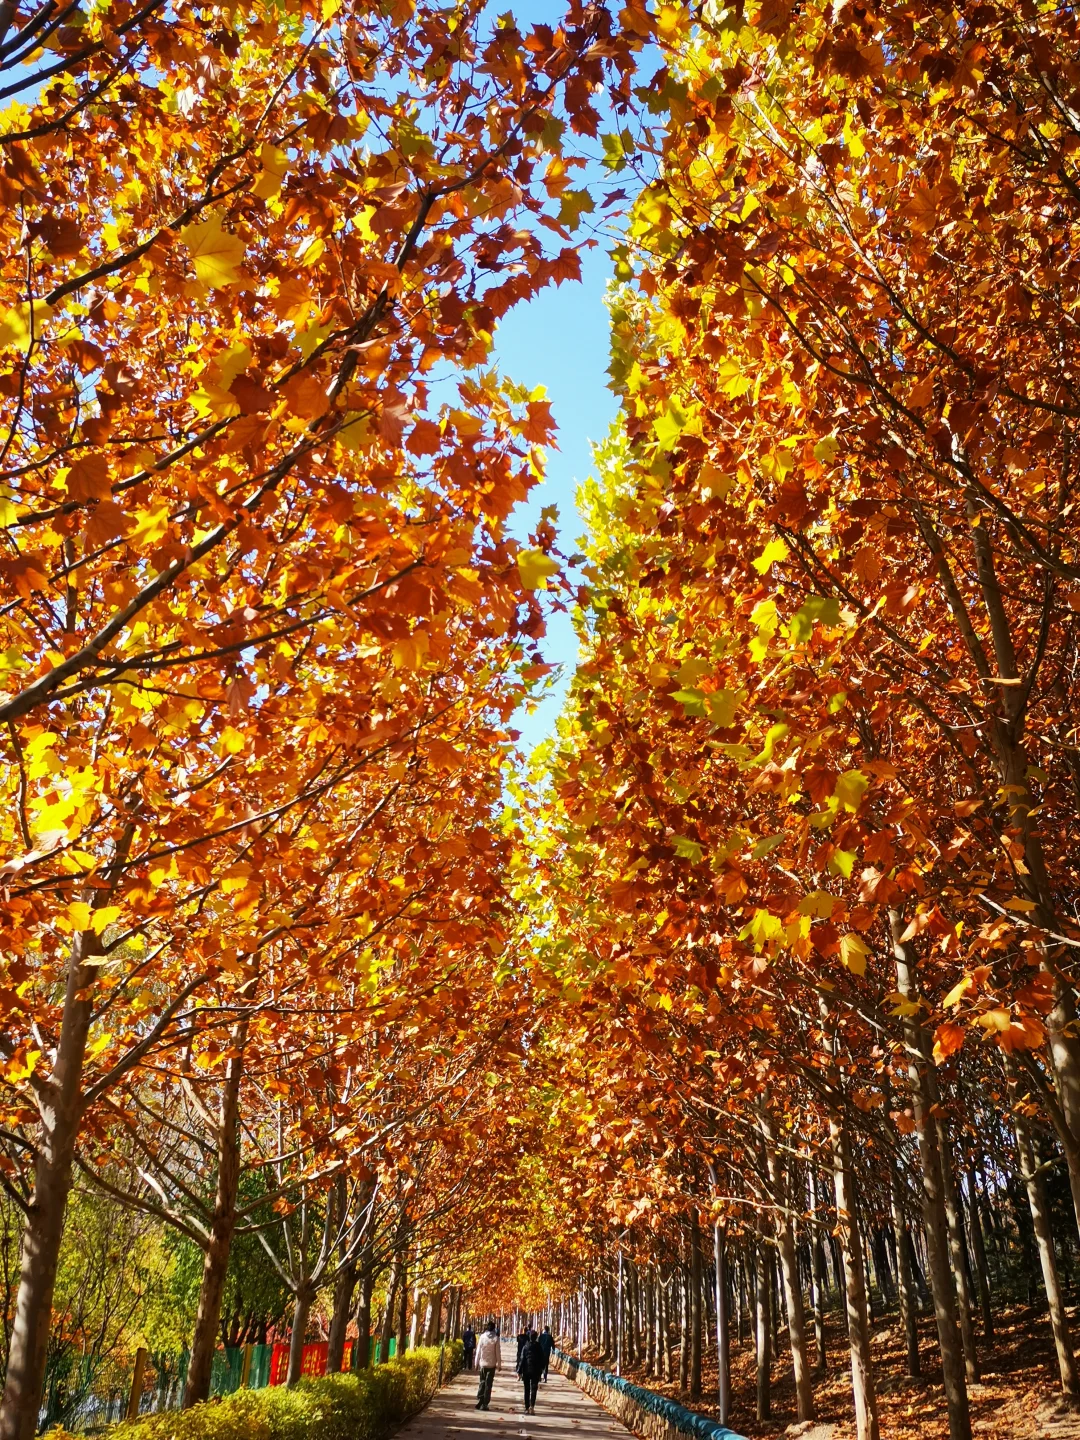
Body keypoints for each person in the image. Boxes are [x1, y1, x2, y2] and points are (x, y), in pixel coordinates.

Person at [474, 1320, 501, 1410]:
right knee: (488, 1384)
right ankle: (485, 1403)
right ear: (494, 1328)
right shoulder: (496, 1338)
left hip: (483, 1364)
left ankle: (480, 1398)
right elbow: (498, 1353)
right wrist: (499, 1365)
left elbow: (478, 1351)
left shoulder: (482, 1337)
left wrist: (476, 1363)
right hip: (491, 1365)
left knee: (482, 1382)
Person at [517, 1328, 544, 1415]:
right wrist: (541, 1370)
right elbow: (542, 1359)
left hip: (526, 1371)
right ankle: (532, 1406)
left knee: (527, 1389)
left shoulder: (526, 1346)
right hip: (536, 1371)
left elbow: (522, 1359)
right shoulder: (539, 1347)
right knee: (534, 1389)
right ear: (536, 1337)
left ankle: (526, 1407)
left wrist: (519, 1371)